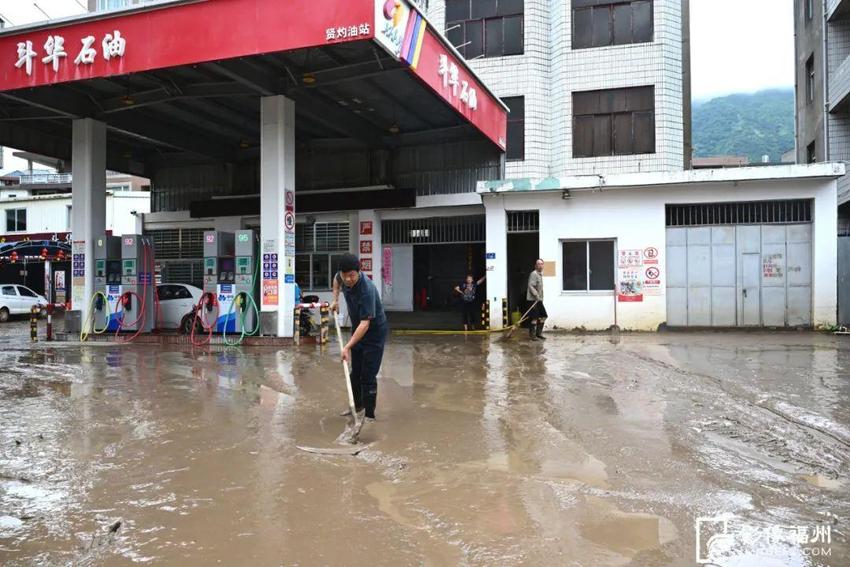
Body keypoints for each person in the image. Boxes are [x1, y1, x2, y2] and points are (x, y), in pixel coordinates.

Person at [329, 254, 388, 420]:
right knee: (355, 373)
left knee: (368, 375)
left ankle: (369, 416)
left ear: (359, 272)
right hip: (358, 329)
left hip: (374, 332)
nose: (348, 279)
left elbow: (365, 324)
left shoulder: (366, 290)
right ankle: (357, 406)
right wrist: (335, 300)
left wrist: (347, 347)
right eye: (345, 275)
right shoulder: (341, 276)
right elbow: (336, 281)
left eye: (352, 275)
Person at [527, 259, 547, 341]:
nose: (540, 265)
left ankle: (538, 334)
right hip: (533, 300)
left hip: (539, 300)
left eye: (541, 264)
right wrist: (536, 295)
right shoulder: (534, 274)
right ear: (535, 266)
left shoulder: (540, 275)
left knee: (543, 316)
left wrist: (540, 297)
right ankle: (532, 336)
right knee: (534, 318)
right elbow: (531, 286)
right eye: (538, 264)